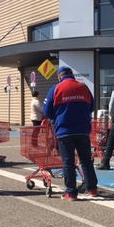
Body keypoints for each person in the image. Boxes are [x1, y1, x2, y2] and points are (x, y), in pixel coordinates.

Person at [43, 65, 98, 200]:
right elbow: (92, 106)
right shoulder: (83, 87)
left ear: (59, 76)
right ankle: (92, 189)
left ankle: (71, 192)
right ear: (72, 75)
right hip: (83, 130)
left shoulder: (55, 89)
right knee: (86, 160)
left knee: (68, 162)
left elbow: (46, 111)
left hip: (64, 131)